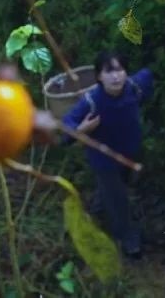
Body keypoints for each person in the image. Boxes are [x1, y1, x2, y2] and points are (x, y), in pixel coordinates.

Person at [62, 50, 153, 259]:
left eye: (119, 70)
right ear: (98, 77)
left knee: (119, 188)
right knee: (119, 200)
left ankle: (98, 207)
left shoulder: (133, 88)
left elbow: (148, 75)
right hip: (104, 162)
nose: (115, 76)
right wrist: (82, 129)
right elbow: (65, 128)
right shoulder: (92, 101)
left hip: (129, 155)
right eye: (109, 71)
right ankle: (127, 239)